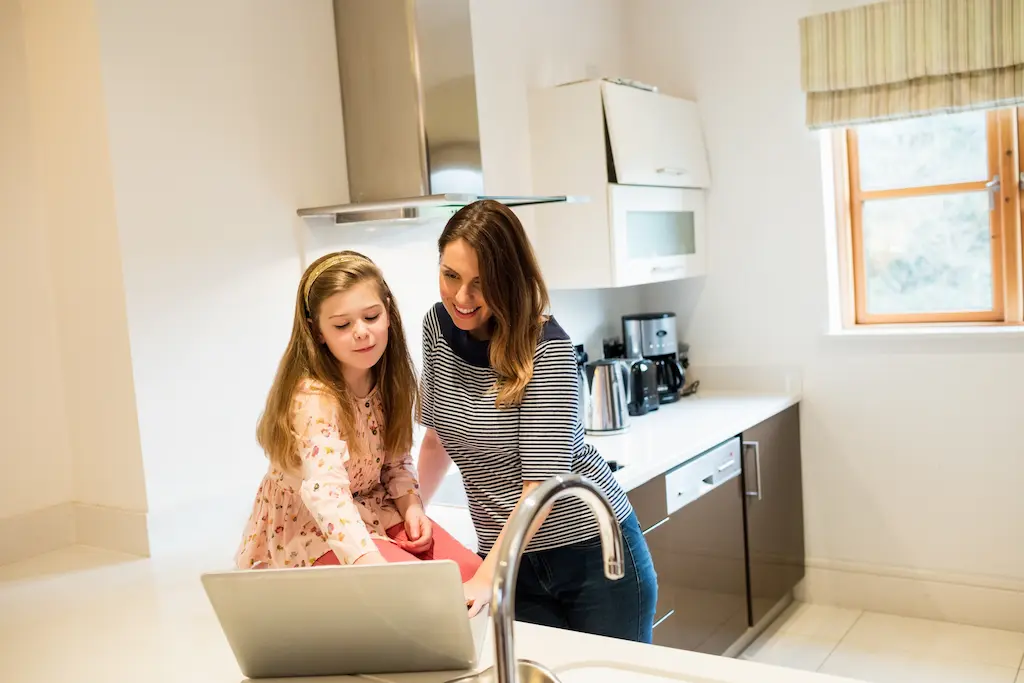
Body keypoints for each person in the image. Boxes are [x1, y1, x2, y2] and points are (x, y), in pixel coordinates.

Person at [416, 200, 658, 643]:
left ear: (508, 280)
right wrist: (412, 509)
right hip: (508, 557)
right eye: (451, 275)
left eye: (480, 283)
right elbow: (436, 436)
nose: (461, 298)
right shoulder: (437, 326)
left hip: (591, 558)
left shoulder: (546, 349)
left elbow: (540, 491)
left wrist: (490, 578)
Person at [236, 251, 481, 580]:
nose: (361, 332)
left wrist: (411, 506)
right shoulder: (315, 400)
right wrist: (370, 565)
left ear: (389, 313)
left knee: (470, 572)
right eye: (342, 324)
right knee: (419, 589)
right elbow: (327, 496)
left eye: (371, 316)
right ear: (317, 331)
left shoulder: (387, 380)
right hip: (314, 528)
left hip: (372, 507)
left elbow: (395, 457)